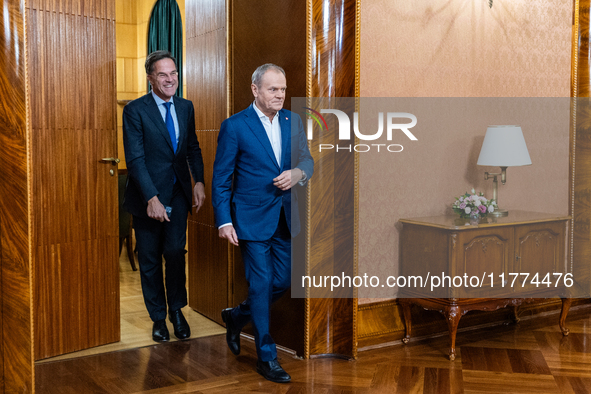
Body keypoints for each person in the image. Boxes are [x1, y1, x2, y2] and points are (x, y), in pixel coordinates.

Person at [212, 63, 314, 383]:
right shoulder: (235, 126)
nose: (280, 95)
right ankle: (267, 357)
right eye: (273, 89)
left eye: (283, 89)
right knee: (260, 284)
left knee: (281, 282)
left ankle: (236, 316)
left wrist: (298, 173)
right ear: (255, 90)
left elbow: (307, 161)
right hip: (250, 220)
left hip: (285, 216)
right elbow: (221, 180)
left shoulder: (293, 120)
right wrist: (224, 221)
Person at [123, 50, 205, 343]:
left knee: (174, 252)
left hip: (179, 193)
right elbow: (135, 159)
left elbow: (192, 147)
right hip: (146, 198)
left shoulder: (186, 107)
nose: (170, 79)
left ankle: (177, 310)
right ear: (150, 78)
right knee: (149, 258)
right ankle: (158, 317)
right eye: (162, 74)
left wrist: (199, 182)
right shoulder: (135, 110)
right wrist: (152, 197)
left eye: (174, 73)